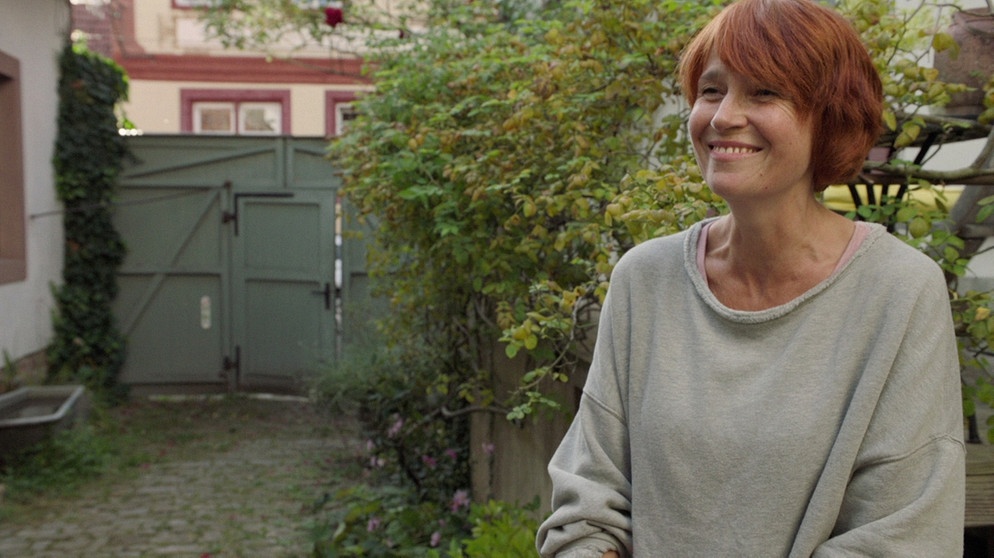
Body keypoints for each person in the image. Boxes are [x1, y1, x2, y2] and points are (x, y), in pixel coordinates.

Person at [535, 0, 966, 556]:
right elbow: (589, 497)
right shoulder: (645, 280)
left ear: (831, 117)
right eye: (712, 90)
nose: (722, 116)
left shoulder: (900, 292)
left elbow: (902, 534)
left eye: (764, 92)